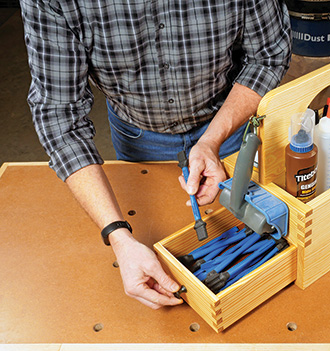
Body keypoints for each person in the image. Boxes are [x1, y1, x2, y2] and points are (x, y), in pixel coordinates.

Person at [19, 0, 292, 309]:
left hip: (229, 121)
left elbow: (268, 56)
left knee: (243, 222)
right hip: (138, 133)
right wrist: (118, 236)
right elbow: (58, 115)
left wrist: (211, 140)